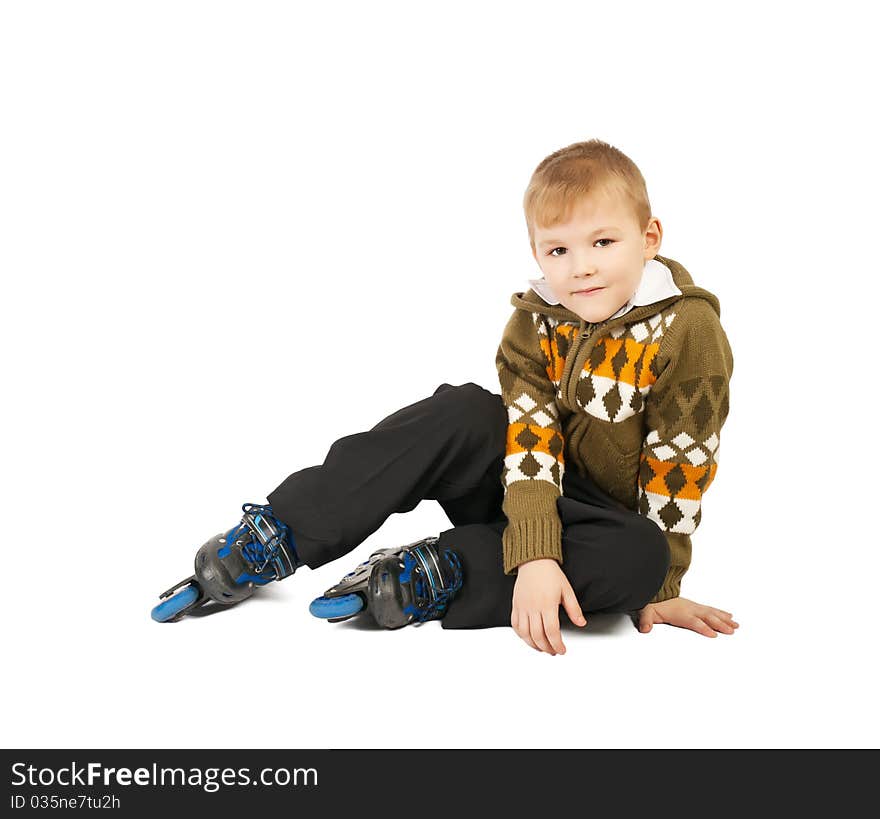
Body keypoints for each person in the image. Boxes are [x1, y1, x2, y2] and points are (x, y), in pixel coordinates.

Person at [151, 138, 738, 656]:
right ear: (538, 254)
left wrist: (663, 590)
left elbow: (681, 463)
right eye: (558, 250)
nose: (581, 268)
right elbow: (528, 441)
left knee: (640, 558)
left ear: (649, 238)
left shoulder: (687, 331)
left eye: (603, 242)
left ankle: (438, 573)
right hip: (524, 486)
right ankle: (278, 535)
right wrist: (535, 549)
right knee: (463, 410)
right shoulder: (535, 321)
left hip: (600, 529)